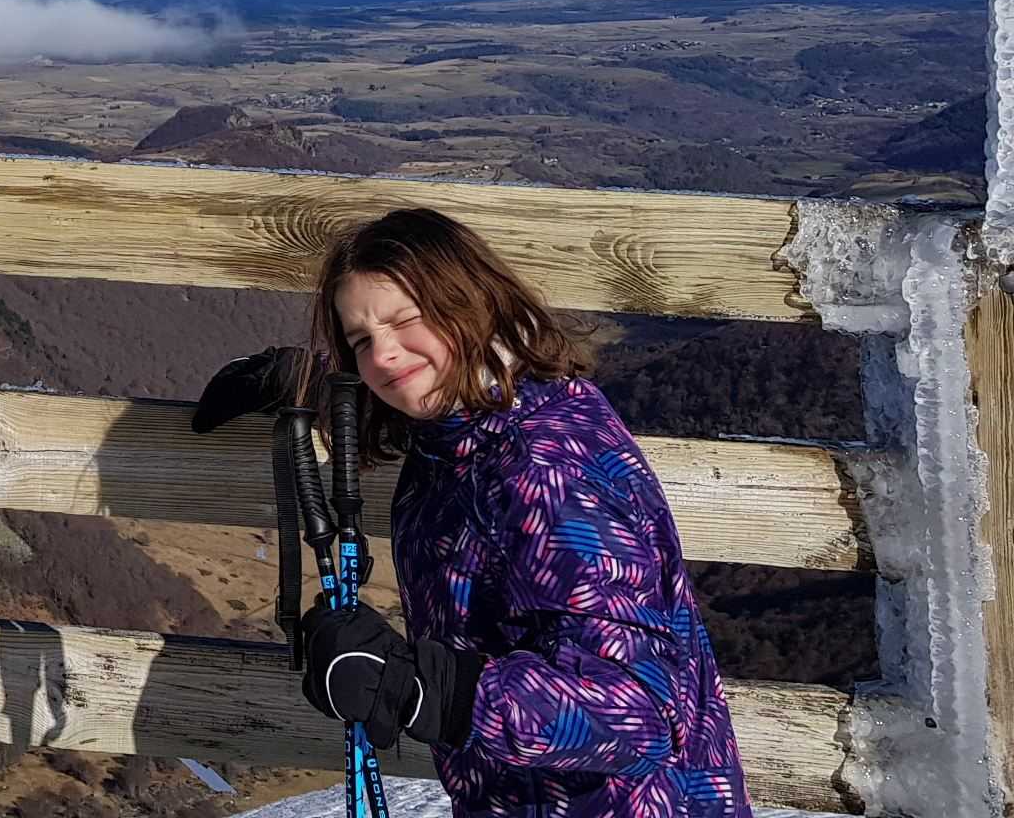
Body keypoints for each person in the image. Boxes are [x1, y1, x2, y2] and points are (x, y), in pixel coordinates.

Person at [198, 208, 750, 817]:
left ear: (469, 303)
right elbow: (421, 396)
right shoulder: (481, 418)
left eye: (405, 321)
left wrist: (425, 689)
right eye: (361, 340)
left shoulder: (545, 473)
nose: (384, 356)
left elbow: (640, 713)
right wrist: (313, 383)